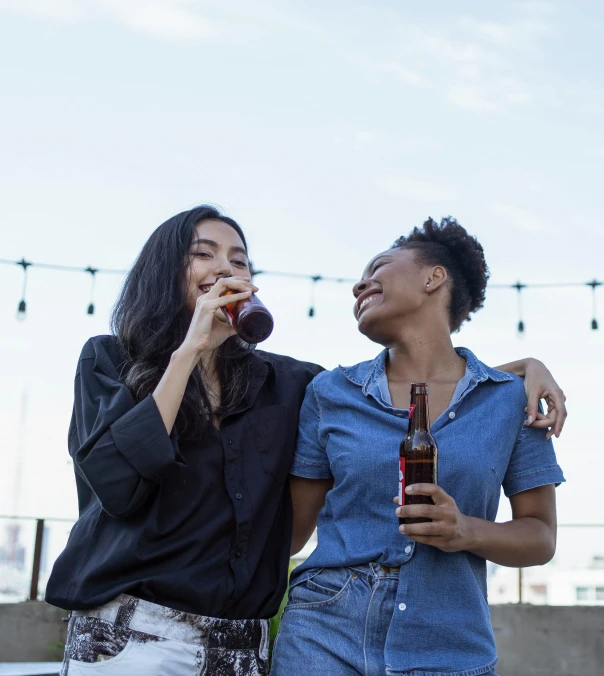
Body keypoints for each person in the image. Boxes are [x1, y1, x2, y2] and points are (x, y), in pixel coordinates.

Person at [45, 206, 564, 676]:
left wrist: (511, 377)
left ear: (434, 277)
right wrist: (190, 349)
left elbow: (422, 391)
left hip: (243, 649)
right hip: (135, 638)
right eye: (203, 254)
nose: (227, 269)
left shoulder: (292, 385)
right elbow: (117, 483)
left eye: (240, 260)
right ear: (165, 270)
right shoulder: (111, 362)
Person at [271, 217, 565, 676]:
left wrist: (465, 531)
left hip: (450, 645)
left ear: (434, 277)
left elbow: (541, 536)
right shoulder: (330, 393)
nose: (358, 285)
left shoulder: (510, 399)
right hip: (321, 636)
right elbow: (290, 534)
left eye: (380, 266)